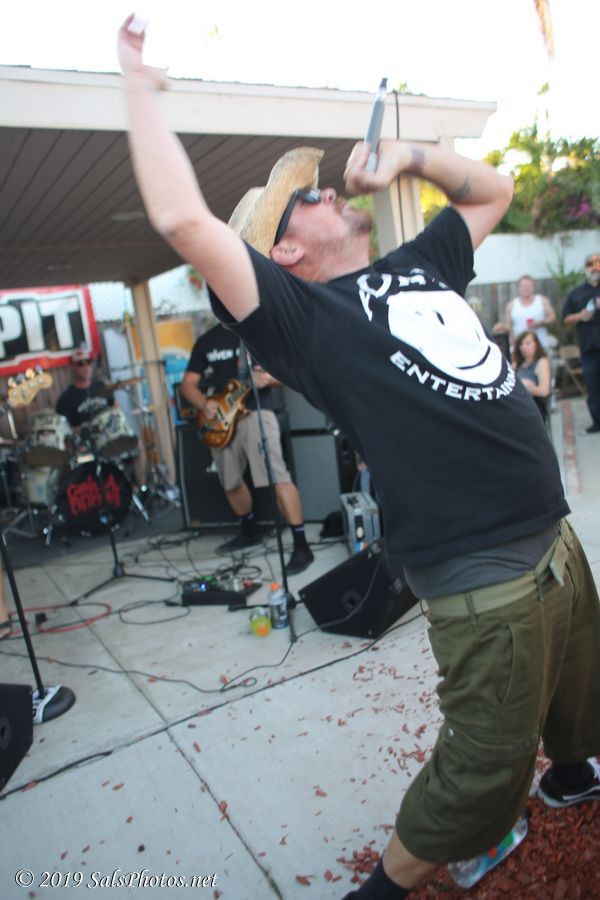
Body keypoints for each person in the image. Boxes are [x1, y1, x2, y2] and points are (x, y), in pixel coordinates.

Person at [117, 19, 600, 899]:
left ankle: (570, 773)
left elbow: (492, 191)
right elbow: (181, 219)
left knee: (579, 684)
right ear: (284, 252)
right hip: (482, 566)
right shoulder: (303, 320)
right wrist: (138, 87)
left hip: (552, 535)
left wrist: (408, 157)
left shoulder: (414, 266)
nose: (329, 191)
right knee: (483, 764)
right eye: (305, 198)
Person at [180, 323, 314, 574]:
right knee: (229, 481)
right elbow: (187, 384)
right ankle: (250, 531)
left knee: (277, 477)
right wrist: (204, 402)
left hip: (256, 412)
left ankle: (301, 545)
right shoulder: (207, 340)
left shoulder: (257, 329)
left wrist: (268, 379)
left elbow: (291, 370)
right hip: (222, 419)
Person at [561, 252, 600, 433]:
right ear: (585, 268)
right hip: (588, 348)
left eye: (598, 264)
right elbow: (565, 318)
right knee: (593, 386)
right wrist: (580, 316)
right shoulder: (576, 293)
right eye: (591, 265)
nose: (595, 268)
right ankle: (597, 422)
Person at [56, 348, 115, 429]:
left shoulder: (102, 387)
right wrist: (82, 428)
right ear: (73, 367)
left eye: (88, 363)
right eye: (81, 364)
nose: (86, 367)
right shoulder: (65, 399)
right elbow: (64, 429)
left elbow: (114, 406)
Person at [503, 275, 556, 349]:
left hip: (541, 345)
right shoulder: (511, 305)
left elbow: (553, 318)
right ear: (518, 288)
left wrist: (540, 322)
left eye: (529, 285)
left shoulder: (542, 301)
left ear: (534, 287)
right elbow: (507, 327)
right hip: (520, 347)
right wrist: (512, 342)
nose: (526, 288)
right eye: (523, 286)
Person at [512, 329, 552, 422]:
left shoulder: (541, 362)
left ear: (536, 344)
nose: (524, 347)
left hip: (535, 407)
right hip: (518, 405)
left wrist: (524, 387)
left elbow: (544, 391)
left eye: (528, 343)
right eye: (521, 344)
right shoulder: (517, 364)